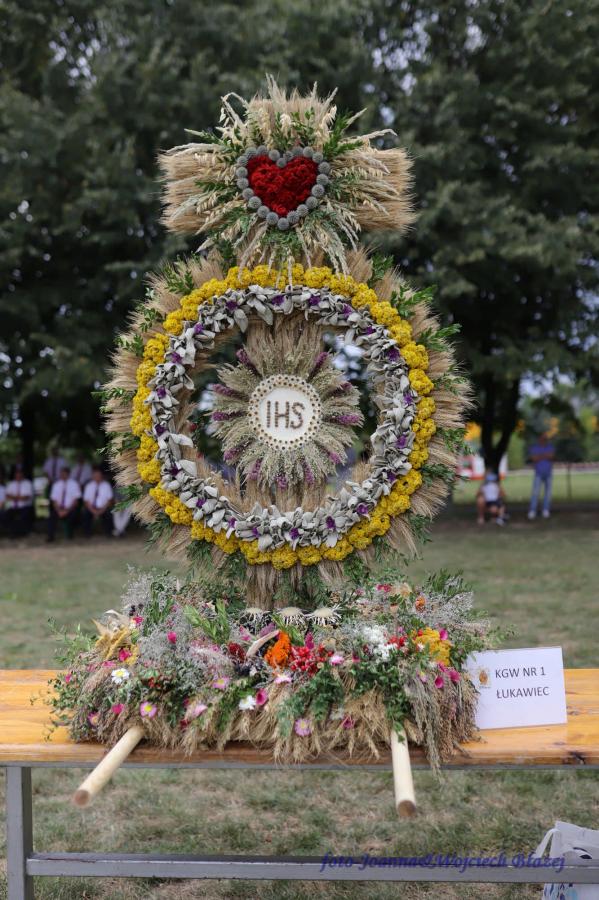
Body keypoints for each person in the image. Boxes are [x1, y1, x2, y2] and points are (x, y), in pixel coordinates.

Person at [47, 466, 81, 541]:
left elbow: (76, 501)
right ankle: (50, 537)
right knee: (51, 517)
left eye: (64, 474)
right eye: (61, 473)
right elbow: (54, 500)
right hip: (59, 508)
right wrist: (59, 511)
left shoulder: (74, 484)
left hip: (70, 508)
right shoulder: (56, 484)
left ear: (68, 474)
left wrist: (67, 511)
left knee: (73, 516)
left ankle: (70, 535)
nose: (62, 475)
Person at [528, 432, 555, 520]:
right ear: (539, 439)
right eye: (543, 438)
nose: (545, 439)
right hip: (538, 473)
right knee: (535, 493)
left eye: (546, 438)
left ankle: (545, 510)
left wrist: (540, 456)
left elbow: (551, 457)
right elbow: (534, 459)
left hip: (548, 473)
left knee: (548, 493)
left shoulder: (550, 447)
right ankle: (532, 510)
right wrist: (545, 455)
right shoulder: (535, 448)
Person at [82, 466, 114, 537]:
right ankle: (87, 534)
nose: (97, 477)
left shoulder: (106, 485)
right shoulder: (89, 486)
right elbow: (86, 501)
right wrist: (93, 511)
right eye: (95, 476)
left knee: (109, 514)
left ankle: (108, 533)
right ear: (92, 477)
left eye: (98, 476)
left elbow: (109, 500)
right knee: (85, 514)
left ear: (101, 476)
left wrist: (101, 510)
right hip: (91, 508)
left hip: (103, 508)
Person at [5, 467, 35, 537]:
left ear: (22, 475)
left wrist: (14, 497)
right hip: (13, 507)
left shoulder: (28, 483)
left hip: (25, 506)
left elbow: (26, 497)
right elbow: (7, 496)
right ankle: (13, 532)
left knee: (23, 516)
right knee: (7, 515)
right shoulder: (11, 484)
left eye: (19, 474)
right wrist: (19, 497)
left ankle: (21, 533)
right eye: (17, 475)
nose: (18, 476)